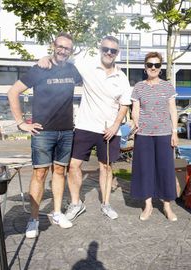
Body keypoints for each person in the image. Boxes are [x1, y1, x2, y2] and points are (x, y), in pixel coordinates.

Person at [38, 36, 132, 221]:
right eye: (105, 48)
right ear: (100, 49)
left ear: (117, 53)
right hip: (85, 126)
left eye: (113, 50)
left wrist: (115, 126)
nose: (108, 53)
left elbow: (124, 104)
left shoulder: (122, 77)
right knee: (73, 165)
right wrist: (46, 58)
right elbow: (62, 57)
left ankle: (106, 203)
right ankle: (76, 203)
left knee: (106, 167)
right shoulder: (87, 66)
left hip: (109, 129)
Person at [7, 33, 83, 238]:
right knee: (39, 174)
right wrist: (21, 123)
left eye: (67, 48)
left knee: (59, 172)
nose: (62, 50)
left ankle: (57, 213)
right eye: (60, 46)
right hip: (43, 131)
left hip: (66, 130)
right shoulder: (40, 68)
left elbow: (90, 79)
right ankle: (33, 219)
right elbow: (13, 92)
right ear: (53, 45)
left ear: (71, 50)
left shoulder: (72, 69)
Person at [130, 52, 179, 221]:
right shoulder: (138, 87)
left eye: (157, 65)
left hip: (164, 133)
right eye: (150, 65)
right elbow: (135, 110)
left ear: (161, 68)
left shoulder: (168, 87)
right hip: (143, 134)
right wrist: (135, 122)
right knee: (145, 170)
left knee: (165, 170)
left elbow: (173, 110)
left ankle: (167, 206)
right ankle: (148, 205)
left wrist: (174, 132)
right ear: (145, 67)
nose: (153, 68)